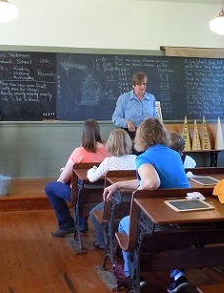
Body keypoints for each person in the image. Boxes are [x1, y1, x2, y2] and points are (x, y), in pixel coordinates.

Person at [103, 118, 193, 293]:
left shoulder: (144, 158)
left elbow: (151, 182)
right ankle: (178, 275)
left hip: (158, 223)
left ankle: (134, 277)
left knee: (124, 224)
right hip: (181, 220)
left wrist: (138, 193)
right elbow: (144, 179)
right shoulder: (174, 155)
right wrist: (118, 184)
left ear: (141, 137)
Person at [45, 120, 110, 237]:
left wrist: (60, 180)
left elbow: (64, 178)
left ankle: (66, 225)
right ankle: (81, 224)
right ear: (98, 132)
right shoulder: (109, 149)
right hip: (103, 194)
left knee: (50, 188)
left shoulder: (79, 151)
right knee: (86, 189)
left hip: (80, 194)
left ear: (84, 133)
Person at [87, 128, 136, 249]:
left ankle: (104, 243)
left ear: (111, 144)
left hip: (115, 202)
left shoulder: (108, 162)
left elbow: (92, 178)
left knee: (94, 213)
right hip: (133, 202)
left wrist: (91, 170)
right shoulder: (136, 159)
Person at [112, 72, 157, 141]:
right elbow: (115, 118)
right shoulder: (124, 98)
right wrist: (127, 123)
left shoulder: (151, 98)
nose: (142, 87)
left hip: (148, 135)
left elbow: (155, 117)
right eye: (139, 84)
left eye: (144, 84)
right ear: (133, 85)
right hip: (130, 136)